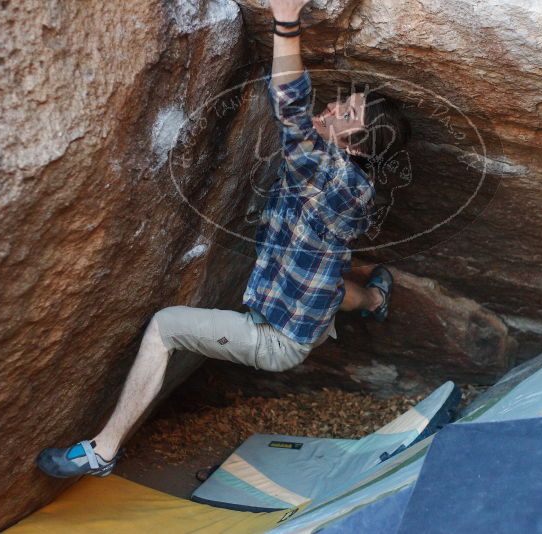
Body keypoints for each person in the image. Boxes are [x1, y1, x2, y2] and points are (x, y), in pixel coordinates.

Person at [36, 0, 411, 478]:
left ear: (354, 146)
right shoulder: (358, 186)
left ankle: (100, 452)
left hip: (277, 336)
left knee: (164, 327)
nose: (334, 107)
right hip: (311, 301)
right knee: (331, 279)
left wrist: (286, 19)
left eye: (346, 114)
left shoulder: (325, 173)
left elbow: (290, 101)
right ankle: (376, 298)